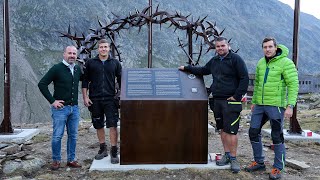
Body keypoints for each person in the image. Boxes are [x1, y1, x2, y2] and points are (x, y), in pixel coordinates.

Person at [179, 36, 249, 173]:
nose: (220, 48)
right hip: (217, 100)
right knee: (222, 129)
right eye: (218, 46)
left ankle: (234, 158)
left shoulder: (236, 59)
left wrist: (236, 96)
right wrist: (186, 68)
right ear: (215, 48)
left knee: (232, 130)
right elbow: (204, 70)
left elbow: (244, 78)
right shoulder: (215, 60)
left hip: (231, 101)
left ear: (227, 46)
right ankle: (227, 155)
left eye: (222, 46)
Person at [244, 37, 298, 180]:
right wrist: (254, 102)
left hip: (276, 105)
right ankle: (259, 161)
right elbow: (257, 85)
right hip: (260, 105)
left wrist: (290, 105)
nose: (267, 49)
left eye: (270, 47)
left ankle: (278, 168)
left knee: (276, 136)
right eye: (265, 47)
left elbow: (293, 85)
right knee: (253, 131)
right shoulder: (261, 63)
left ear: (276, 47)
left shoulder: (286, 63)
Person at [38, 46, 82, 170]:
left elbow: (85, 81)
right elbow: (42, 84)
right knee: (58, 135)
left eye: (74, 53)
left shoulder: (77, 69)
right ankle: (56, 160)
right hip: (60, 109)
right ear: (64, 54)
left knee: (73, 135)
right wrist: (53, 101)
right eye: (70, 53)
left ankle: (71, 160)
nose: (72, 55)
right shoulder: (56, 69)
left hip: (75, 109)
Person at [82, 39, 122, 164]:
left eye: (105, 47)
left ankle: (114, 150)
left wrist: (120, 95)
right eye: (101, 47)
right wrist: (85, 97)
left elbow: (121, 81)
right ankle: (102, 148)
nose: (103, 49)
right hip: (95, 99)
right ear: (98, 49)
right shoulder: (90, 63)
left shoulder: (115, 63)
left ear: (109, 48)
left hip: (111, 99)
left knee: (113, 125)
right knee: (98, 124)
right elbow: (85, 81)